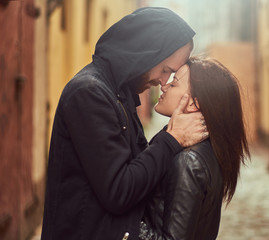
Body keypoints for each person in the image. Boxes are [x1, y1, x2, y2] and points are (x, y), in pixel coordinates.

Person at [41, 8, 207, 240]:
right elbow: (119, 191)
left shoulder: (118, 93)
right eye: (165, 70)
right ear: (146, 52)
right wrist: (171, 140)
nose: (162, 82)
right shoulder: (89, 93)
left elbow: (137, 166)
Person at [138, 56, 251, 240]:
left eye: (173, 84)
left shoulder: (188, 161)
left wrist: (124, 228)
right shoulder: (204, 149)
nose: (164, 86)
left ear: (194, 103)